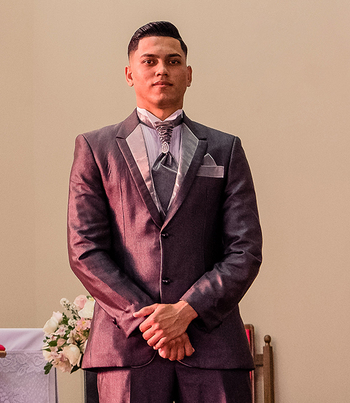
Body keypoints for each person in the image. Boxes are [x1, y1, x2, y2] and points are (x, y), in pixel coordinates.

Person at [67, 21, 263, 403]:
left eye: (173, 61)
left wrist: (187, 311)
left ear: (188, 74)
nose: (162, 70)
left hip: (212, 346)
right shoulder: (95, 149)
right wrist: (151, 320)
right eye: (150, 61)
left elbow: (245, 250)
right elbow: (84, 249)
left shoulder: (225, 149)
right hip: (126, 349)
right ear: (129, 73)